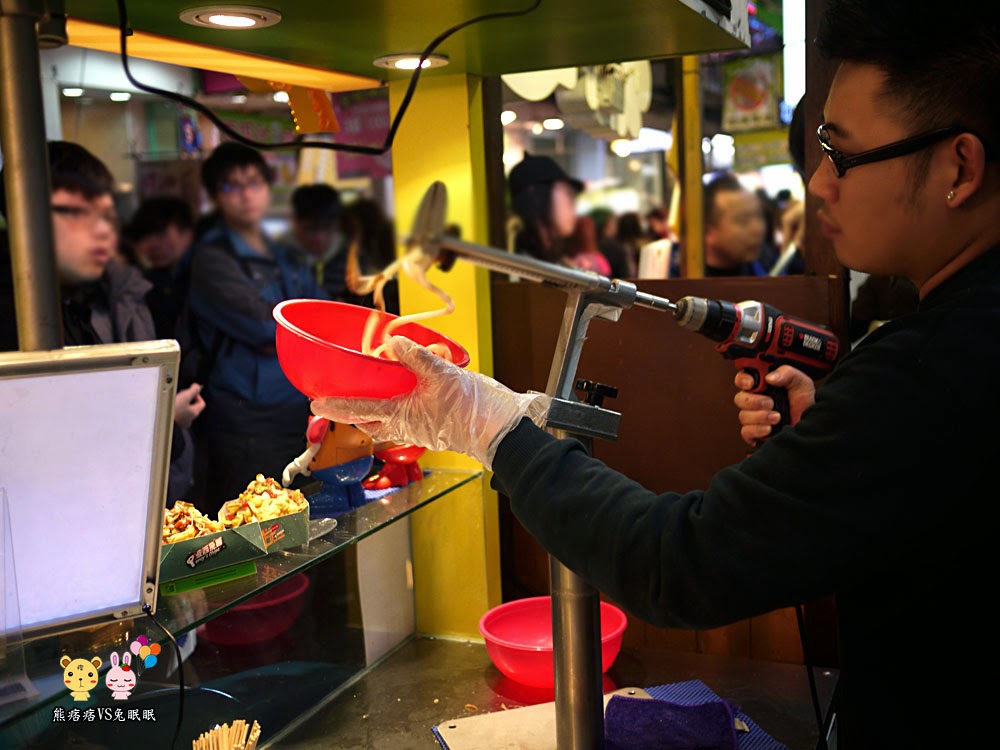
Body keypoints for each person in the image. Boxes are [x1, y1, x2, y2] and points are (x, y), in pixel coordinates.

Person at [309, 1, 1000, 746]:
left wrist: (484, 423)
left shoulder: (930, 372)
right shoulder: (943, 351)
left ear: (959, 166)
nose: (819, 183)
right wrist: (835, 443)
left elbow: (678, 562)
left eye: (843, 152)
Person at [0, 142, 204, 503]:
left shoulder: (108, 294)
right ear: (24, 213)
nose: (102, 232)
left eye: (107, 215)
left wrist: (163, 420)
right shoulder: (15, 315)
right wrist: (159, 417)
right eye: (77, 213)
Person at [186, 141, 328, 514]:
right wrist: (289, 333)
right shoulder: (211, 260)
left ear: (268, 187)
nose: (246, 195)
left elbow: (323, 318)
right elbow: (266, 328)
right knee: (254, 526)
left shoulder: (284, 254)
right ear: (216, 197)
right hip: (245, 423)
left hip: (300, 413)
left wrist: (288, 332)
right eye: (231, 187)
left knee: (301, 521)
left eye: (254, 183)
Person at [121, 195, 196, 340]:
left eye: (160, 234)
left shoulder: (203, 274)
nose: (152, 244)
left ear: (187, 233)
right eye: (143, 236)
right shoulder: (150, 280)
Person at [507, 153, 582, 264]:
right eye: (568, 194)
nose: (573, 205)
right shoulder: (516, 267)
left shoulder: (559, 261)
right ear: (537, 198)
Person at [282, 183, 348, 301]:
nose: (319, 237)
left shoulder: (353, 257)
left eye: (327, 227)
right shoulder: (278, 259)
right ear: (294, 221)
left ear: (338, 223)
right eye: (310, 229)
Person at [701, 171, 768, 276]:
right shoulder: (681, 279)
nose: (758, 229)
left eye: (759, 215)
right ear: (707, 231)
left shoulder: (766, 262)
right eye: (743, 221)